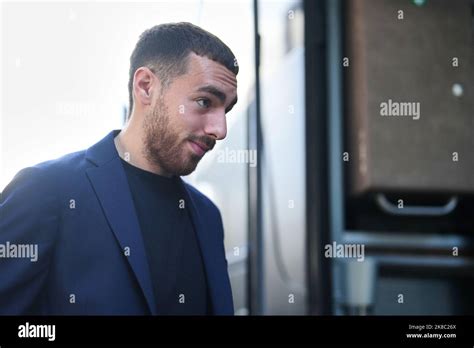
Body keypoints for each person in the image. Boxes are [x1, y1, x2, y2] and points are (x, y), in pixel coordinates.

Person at [0, 22, 238, 315]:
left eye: (225, 110)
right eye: (205, 101)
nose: (220, 129)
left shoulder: (208, 216)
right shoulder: (45, 191)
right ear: (146, 87)